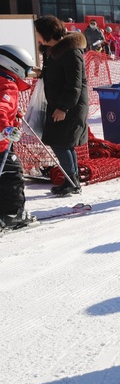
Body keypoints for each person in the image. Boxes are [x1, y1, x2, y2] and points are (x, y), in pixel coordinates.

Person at [34, 16, 87, 196]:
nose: (37, 37)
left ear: (48, 33)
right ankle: (72, 179)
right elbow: (55, 74)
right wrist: (39, 73)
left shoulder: (70, 52)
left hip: (70, 106)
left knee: (60, 142)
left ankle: (72, 181)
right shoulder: (53, 51)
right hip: (59, 103)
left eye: (39, 33)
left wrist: (63, 108)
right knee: (64, 143)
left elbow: (74, 85)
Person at [0, 45, 38, 229]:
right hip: (1, 142)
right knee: (12, 173)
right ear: (14, 66)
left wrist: (13, 114)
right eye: (27, 69)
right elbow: (1, 110)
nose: (28, 73)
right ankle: (13, 213)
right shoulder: (7, 85)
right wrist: (5, 129)